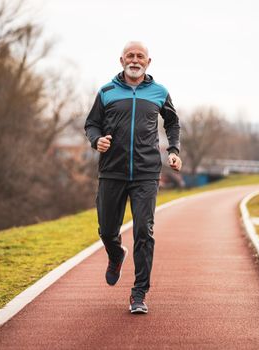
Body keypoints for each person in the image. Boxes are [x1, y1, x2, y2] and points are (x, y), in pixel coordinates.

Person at [84, 41, 182, 314]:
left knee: (143, 231)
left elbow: (173, 123)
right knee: (106, 230)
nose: (135, 60)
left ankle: (139, 293)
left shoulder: (159, 92)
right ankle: (116, 254)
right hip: (111, 171)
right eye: (130, 55)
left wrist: (173, 150)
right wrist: (96, 140)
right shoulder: (106, 91)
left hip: (146, 173)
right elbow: (91, 124)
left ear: (149, 62)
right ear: (121, 60)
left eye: (140, 56)